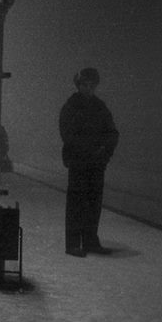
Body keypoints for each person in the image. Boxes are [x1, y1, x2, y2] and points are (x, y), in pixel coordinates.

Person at [59, 67, 119, 257]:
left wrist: (105, 151)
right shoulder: (71, 107)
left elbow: (112, 132)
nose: (89, 89)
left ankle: (90, 241)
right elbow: (67, 134)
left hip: (96, 163)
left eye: (92, 85)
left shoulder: (100, 107)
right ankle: (73, 244)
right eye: (85, 85)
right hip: (79, 162)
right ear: (79, 85)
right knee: (76, 203)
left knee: (93, 203)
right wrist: (91, 149)